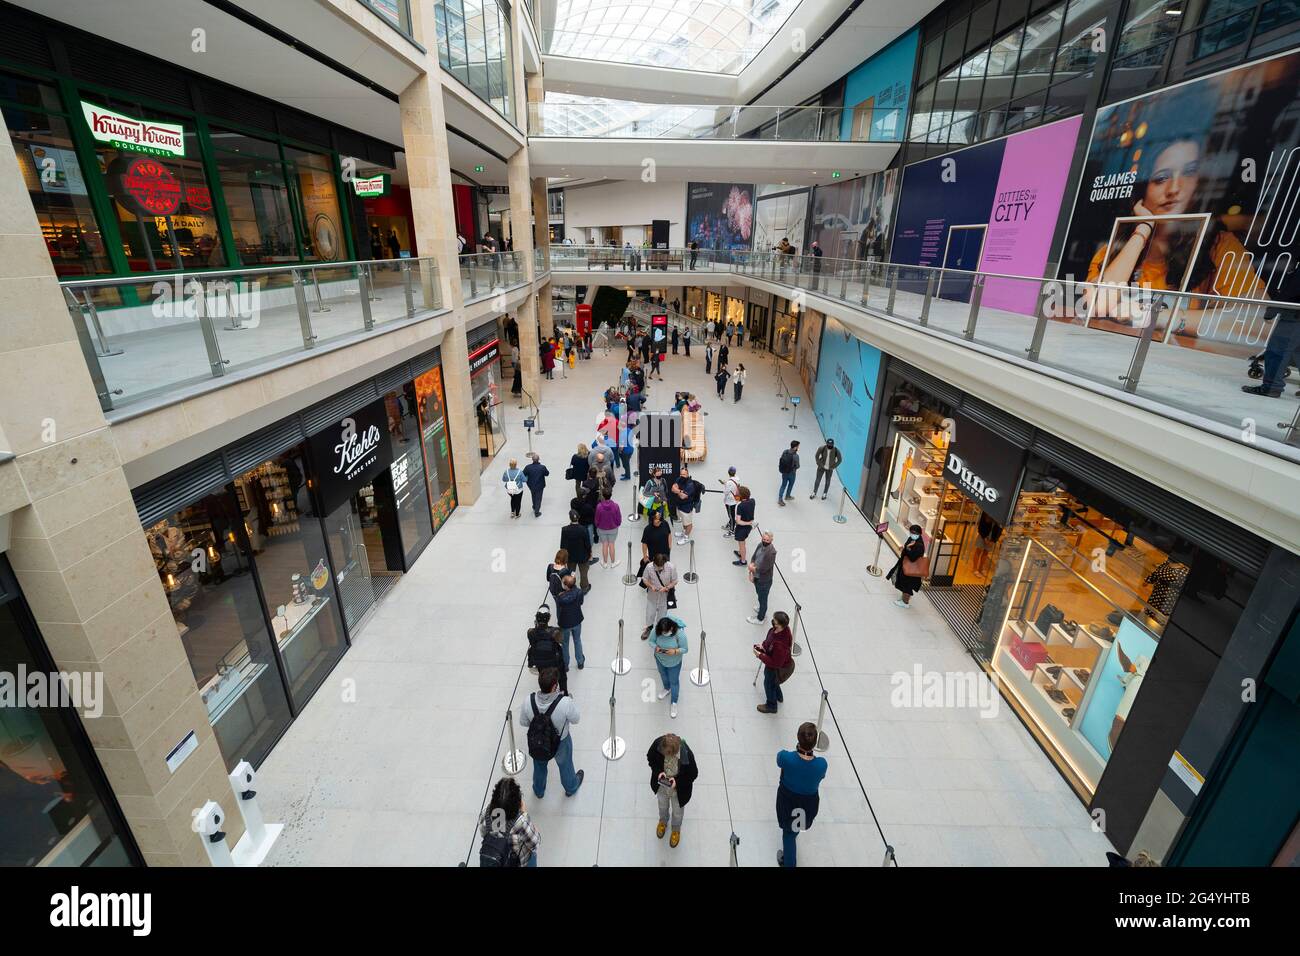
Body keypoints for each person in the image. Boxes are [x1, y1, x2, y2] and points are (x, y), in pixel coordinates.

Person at [519, 668, 584, 799]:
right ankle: (570, 787)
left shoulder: (528, 701)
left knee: (539, 767)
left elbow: (523, 722)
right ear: (555, 686)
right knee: (565, 766)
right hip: (561, 742)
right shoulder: (565, 703)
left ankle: (538, 790)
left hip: (538, 742)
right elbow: (576, 719)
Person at [1242, 258, 1300, 397]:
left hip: (1294, 313)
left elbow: (1294, 288)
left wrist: (1274, 307)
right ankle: (1271, 386)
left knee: (1278, 349)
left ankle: (1271, 387)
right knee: (1297, 351)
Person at [775, 722, 828, 867]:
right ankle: (795, 831)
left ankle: (789, 863)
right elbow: (821, 776)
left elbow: (779, 759)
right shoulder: (822, 764)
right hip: (808, 804)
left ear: (798, 738)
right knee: (796, 827)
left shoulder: (786, 758)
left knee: (788, 834)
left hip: (787, 801)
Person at [479, 776, 541, 867]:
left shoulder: (485, 812)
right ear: (517, 802)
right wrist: (524, 813)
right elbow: (535, 843)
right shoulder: (521, 821)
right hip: (519, 862)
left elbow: (483, 834)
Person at [647, 615, 688, 718]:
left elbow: (685, 649)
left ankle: (674, 702)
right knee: (663, 675)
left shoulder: (680, 634)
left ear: (671, 628)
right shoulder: (657, 630)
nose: (664, 634)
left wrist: (675, 651)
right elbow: (651, 641)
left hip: (674, 663)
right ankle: (666, 688)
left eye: (666, 632)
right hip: (660, 659)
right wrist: (656, 647)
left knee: (674, 681)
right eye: (662, 633)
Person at [754, 609, 793, 714]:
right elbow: (770, 640)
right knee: (773, 682)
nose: (773, 621)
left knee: (769, 683)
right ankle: (779, 696)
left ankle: (771, 705)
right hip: (776, 661)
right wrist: (763, 646)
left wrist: (760, 655)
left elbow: (776, 663)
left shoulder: (780, 645)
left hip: (776, 667)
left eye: (774, 620)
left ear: (780, 625)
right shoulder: (782, 630)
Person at [527, 606, 567, 694]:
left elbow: (532, 641)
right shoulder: (555, 632)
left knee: (545, 680)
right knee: (562, 678)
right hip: (555, 662)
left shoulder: (530, 632)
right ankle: (564, 694)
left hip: (540, 663)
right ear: (548, 618)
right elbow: (561, 640)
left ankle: (547, 694)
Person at [887, 524, 929, 608]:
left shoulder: (919, 545)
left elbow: (913, 558)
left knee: (907, 586)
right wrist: (904, 547)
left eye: (915, 533)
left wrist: (908, 548)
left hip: (912, 569)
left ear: (919, 534)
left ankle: (905, 602)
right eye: (911, 532)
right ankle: (903, 599)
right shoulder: (912, 539)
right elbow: (907, 546)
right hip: (905, 565)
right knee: (903, 583)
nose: (913, 534)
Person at [641, 552, 676, 640]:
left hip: (664, 596)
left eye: (660, 567)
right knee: (649, 613)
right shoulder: (649, 567)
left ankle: (659, 630)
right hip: (652, 595)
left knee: (662, 615)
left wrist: (666, 588)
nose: (658, 569)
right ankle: (648, 628)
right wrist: (651, 586)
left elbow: (675, 581)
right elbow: (644, 579)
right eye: (656, 567)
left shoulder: (671, 567)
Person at [555, 574, 586, 670]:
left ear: (566, 586)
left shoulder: (560, 598)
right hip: (577, 620)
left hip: (565, 623)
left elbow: (559, 609)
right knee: (577, 640)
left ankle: (565, 665)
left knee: (565, 643)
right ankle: (580, 662)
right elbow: (580, 602)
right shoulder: (579, 592)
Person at [747, 530, 777, 625]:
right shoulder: (760, 545)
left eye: (767, 540)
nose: (765, 541)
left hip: (764, 580)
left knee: (763, 599)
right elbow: (754, 556)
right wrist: (752, 563)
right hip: (757, 577)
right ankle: (761, 609)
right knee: (759, 595)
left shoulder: (771, 553)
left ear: (771, 540)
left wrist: (752, 569)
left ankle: (760, 618)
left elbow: (763, 569)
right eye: (763, 539)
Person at [561, 510, 593, 592]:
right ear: (578, 518)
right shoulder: (583, 529)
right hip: (582, 556)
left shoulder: (564, 530)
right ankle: (585, 587)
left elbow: (563, 546)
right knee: (583, 572)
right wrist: (590, 553)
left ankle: (571, 586)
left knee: (572, 572)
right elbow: (587, 544)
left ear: (570, 518)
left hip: (570, 557)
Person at [671, 466, 701, 546]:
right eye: (681, 474)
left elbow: (682, 496)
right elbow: (672, 488)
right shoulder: (679, 479)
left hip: (687, 508)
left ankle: (686, 537)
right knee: (684, 522)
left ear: (687, 474)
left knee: (688, 523)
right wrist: (680, 491)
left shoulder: (690, 485)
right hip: (680, 506)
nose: (682, 476)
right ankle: (684, 532)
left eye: (684, 474)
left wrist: (677, 491)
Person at [595, 489, 622, 568]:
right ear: (611, 495)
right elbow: (619, 518)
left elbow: (597, 519)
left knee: (604, 544)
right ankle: (613, 562)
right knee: (611, 544)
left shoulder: (599, 506)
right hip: (613, 529)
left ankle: (605, 563)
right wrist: (617, 524)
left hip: (602, 529)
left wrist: (598, 525)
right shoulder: (616, 506)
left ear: (603, 496)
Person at [972, 511, 1002, 576]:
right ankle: (975, 568)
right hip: (983, 534)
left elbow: (1000, 529)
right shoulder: (987, 511)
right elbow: (981, 526)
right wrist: (984, 537)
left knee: (986, 552)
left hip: (992, 537)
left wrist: (994, 540)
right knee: (978, 550)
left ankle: (980, 568)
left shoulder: (1001, 515)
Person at [732, 486, 755, 565]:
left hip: (742, 528)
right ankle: (740, 552)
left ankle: (743, 561)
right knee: (743, 540)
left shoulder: (740, 506)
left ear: (741, 496)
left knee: (742, 544)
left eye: (737, 493)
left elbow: (738, 521)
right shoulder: (752, 501)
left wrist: (748, 523)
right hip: (748, 528)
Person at [522, 453, 549, 517]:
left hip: (531, 485)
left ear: (532, 459)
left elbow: (523, 474)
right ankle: (537, 512)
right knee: (538, 498)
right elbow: (547, 474)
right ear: (538, 459)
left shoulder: (528, 467)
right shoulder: (542, 467)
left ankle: (534, 506)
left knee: (533, 495)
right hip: (540, 485)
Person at [777, 440, 801, 506]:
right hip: (792, 473)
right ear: (795, 447)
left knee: (783, 485)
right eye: (798, 446)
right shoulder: (796, 456)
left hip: (784, 472)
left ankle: (780, 499)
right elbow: (798, 466)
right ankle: (787, 496)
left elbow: (781, 459)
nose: (798, 447)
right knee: (790, 484)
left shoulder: (785, 451)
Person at [722, 466, 740, 537]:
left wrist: (725, 484)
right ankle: (730, 523)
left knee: (731, 515)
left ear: (728, 473)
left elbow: (726, 492)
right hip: (735, 499)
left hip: (730, 501)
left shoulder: (729, 482)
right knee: (731, 514)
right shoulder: (737, 479)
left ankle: (732, 530)